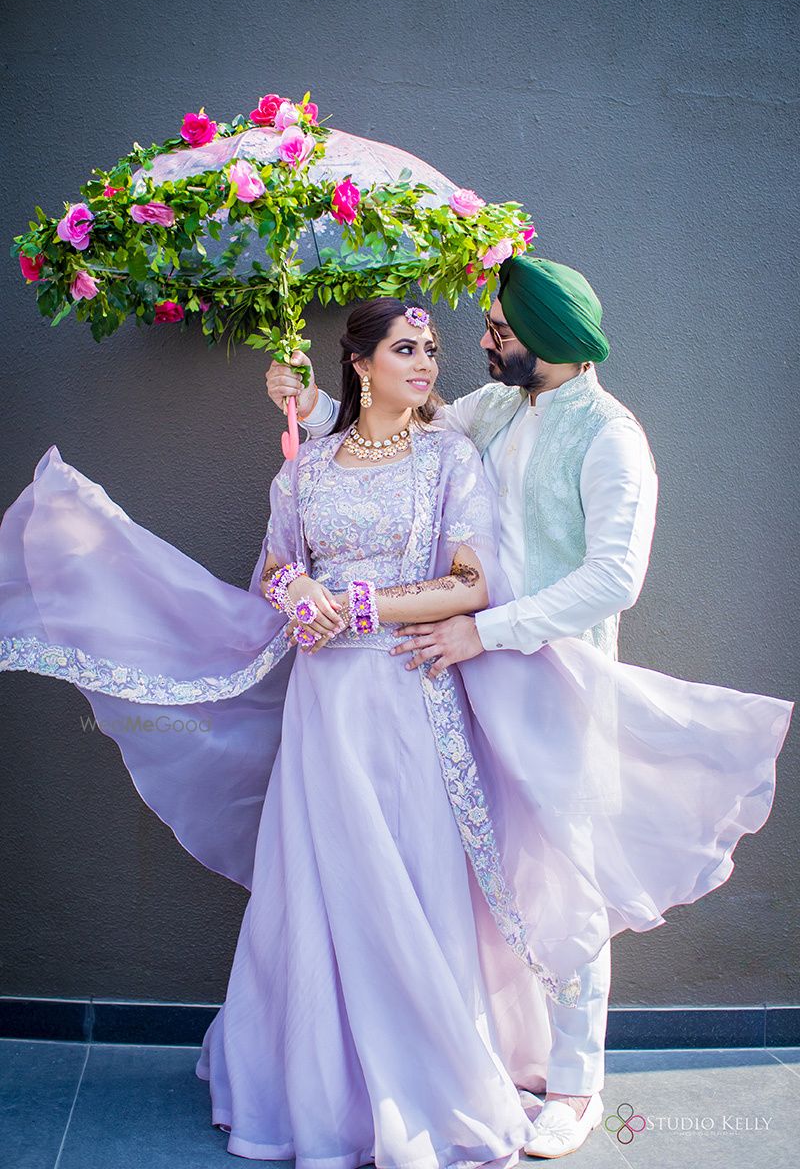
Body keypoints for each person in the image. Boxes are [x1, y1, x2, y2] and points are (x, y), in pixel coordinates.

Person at [0, 299, 792, 1167]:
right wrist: (296, 588)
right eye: (407, 349)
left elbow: (473, 581)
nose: (431, 363)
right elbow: (274, 566)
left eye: (437, 349)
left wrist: (363, 605)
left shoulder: (458, 454)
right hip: (323, 705)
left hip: (417, 688)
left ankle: (481, 1077)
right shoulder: (309, 467)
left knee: (427, 877)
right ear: (364, 363)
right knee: (322, 878)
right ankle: (311, 1083)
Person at [266, 257, 658, 1155]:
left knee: (568, 870)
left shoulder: (610, 437)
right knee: (491, 870)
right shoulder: (492, 408)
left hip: (550, 674)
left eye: (498, 333)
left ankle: (577, 1083)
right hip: (455, 671)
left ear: (548, 341)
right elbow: (391, 434)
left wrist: (491, 628)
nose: (481, 345)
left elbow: (615, 577)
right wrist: (303, 401)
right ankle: (479, 1046)